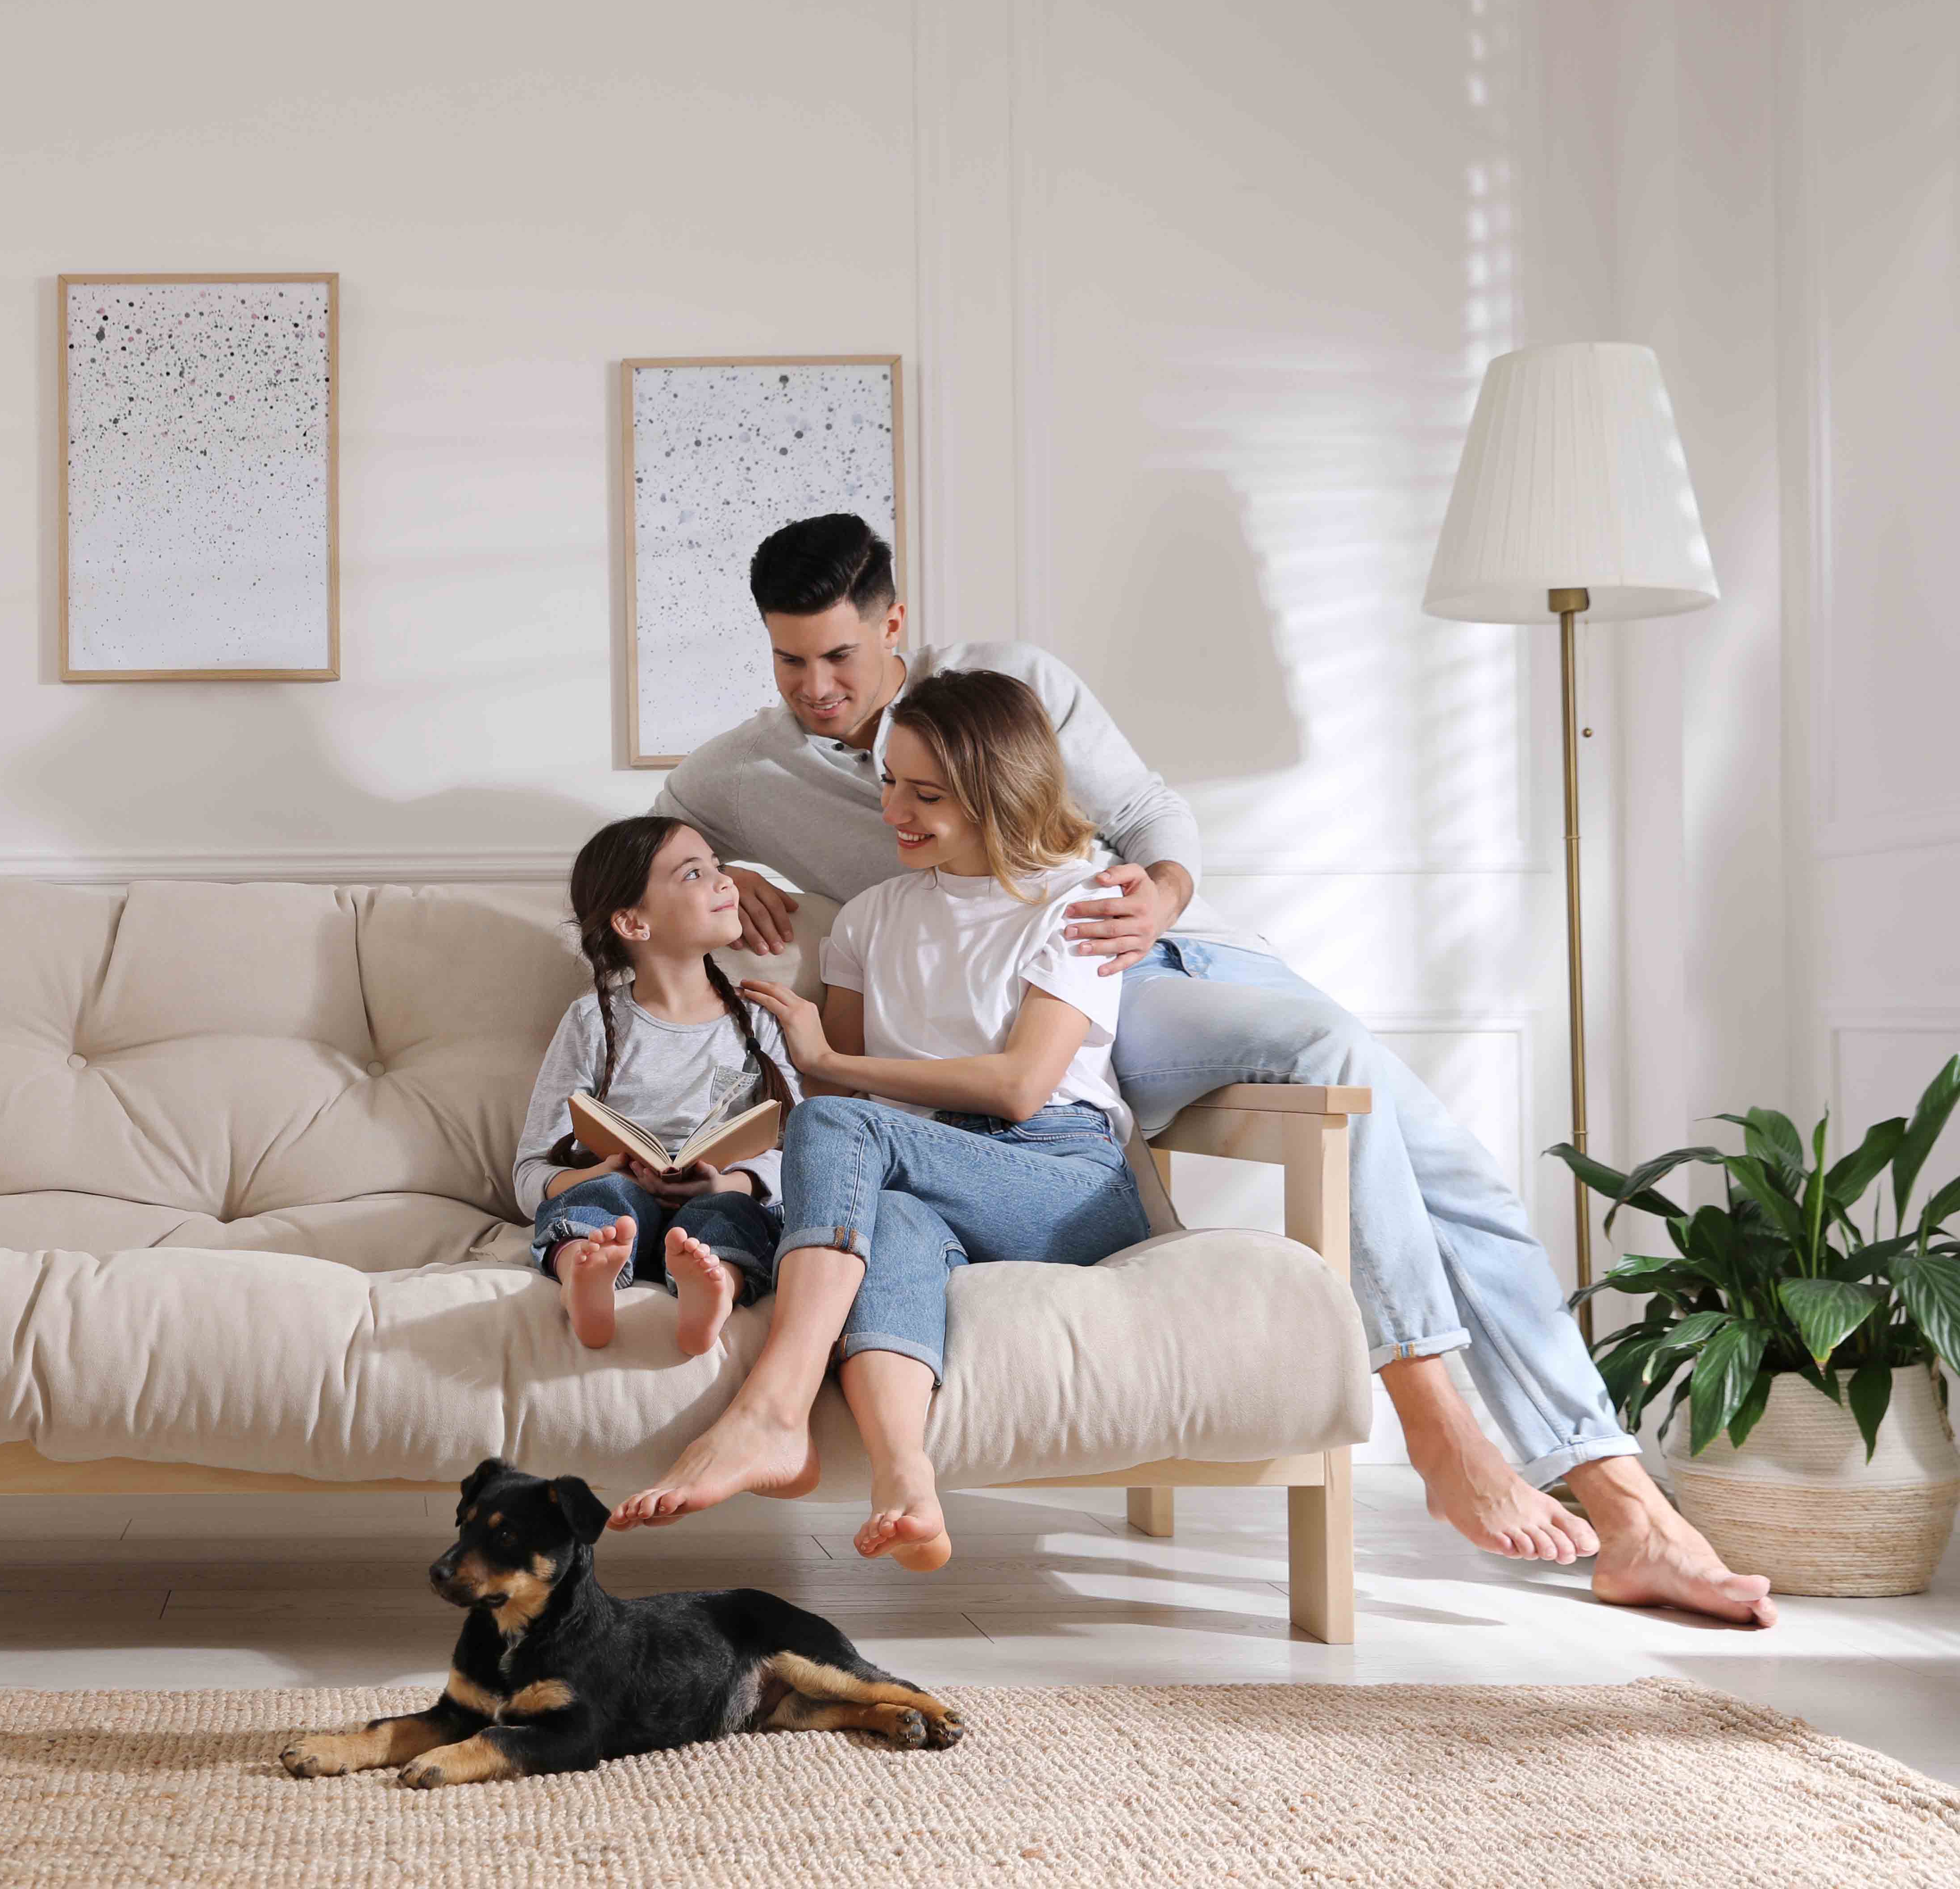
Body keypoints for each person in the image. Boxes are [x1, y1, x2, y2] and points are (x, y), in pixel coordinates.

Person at [624, 511, 1775, 1629]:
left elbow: (1150, 816)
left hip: (1145, 960)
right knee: (1361, 1089)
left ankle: (1571, 1482)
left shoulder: (1007, 685)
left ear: (893, 624)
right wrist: (722, 866)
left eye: (838, 654)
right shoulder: (757, 771)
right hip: (1046, 1018)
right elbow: (659, 825)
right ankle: (1528, 1470)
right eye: (789, 662)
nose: (818, 687)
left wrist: (1155, 900)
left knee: (1442, 1161)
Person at [729, 668, 1152, 1571]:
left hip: (1061, 1179)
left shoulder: (1081, 903)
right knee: (897, 1219)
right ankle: (906, 1479)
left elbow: (1019, 1086)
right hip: (926, 1170)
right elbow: (847, 1108)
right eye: (889, 781)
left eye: (927, 794)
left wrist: (830, 1064)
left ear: (1002, 792)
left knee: (841, 1126)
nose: (895, 812)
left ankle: (774, 1404)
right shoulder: (873, 919)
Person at [513, 818, 799, 1356]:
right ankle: (585, 1275)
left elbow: (804, 1157)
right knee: (601, 1199)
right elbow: (530, 1171)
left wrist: (730, 1186)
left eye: (718, 865)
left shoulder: (757, 1021)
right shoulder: (592, 1022)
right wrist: (601, 1171)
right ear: (633, 922)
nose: (725, 881)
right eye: (695, 873)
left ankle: (714, 1291)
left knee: (733, 1219)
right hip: (620, 1207)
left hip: (718, 1201)